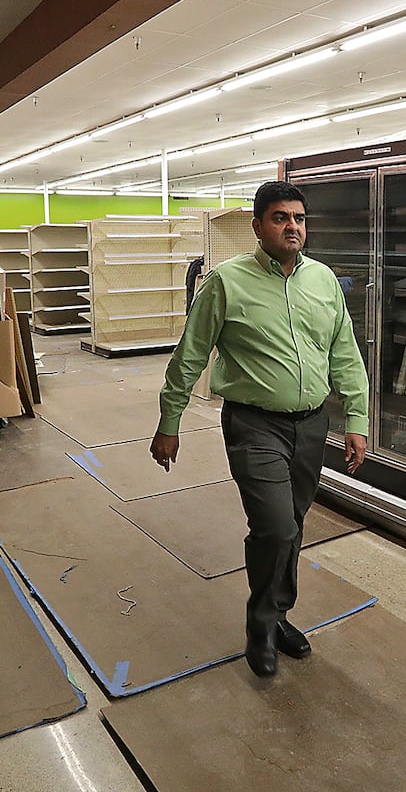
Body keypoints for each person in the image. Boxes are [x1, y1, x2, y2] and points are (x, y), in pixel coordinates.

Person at [151, 180, 368, 678]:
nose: (292, 227)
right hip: (254, 424)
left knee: (291, 527)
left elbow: (344, 353)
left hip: (312, 425)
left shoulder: (324, 281)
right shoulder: (226, 282)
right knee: (275, 526)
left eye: (298, 218)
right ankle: (262, 624)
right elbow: (190, 355)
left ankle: (278, 614)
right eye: (279, 218)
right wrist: (170, 421)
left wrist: (356, 419)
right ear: (258, 226)